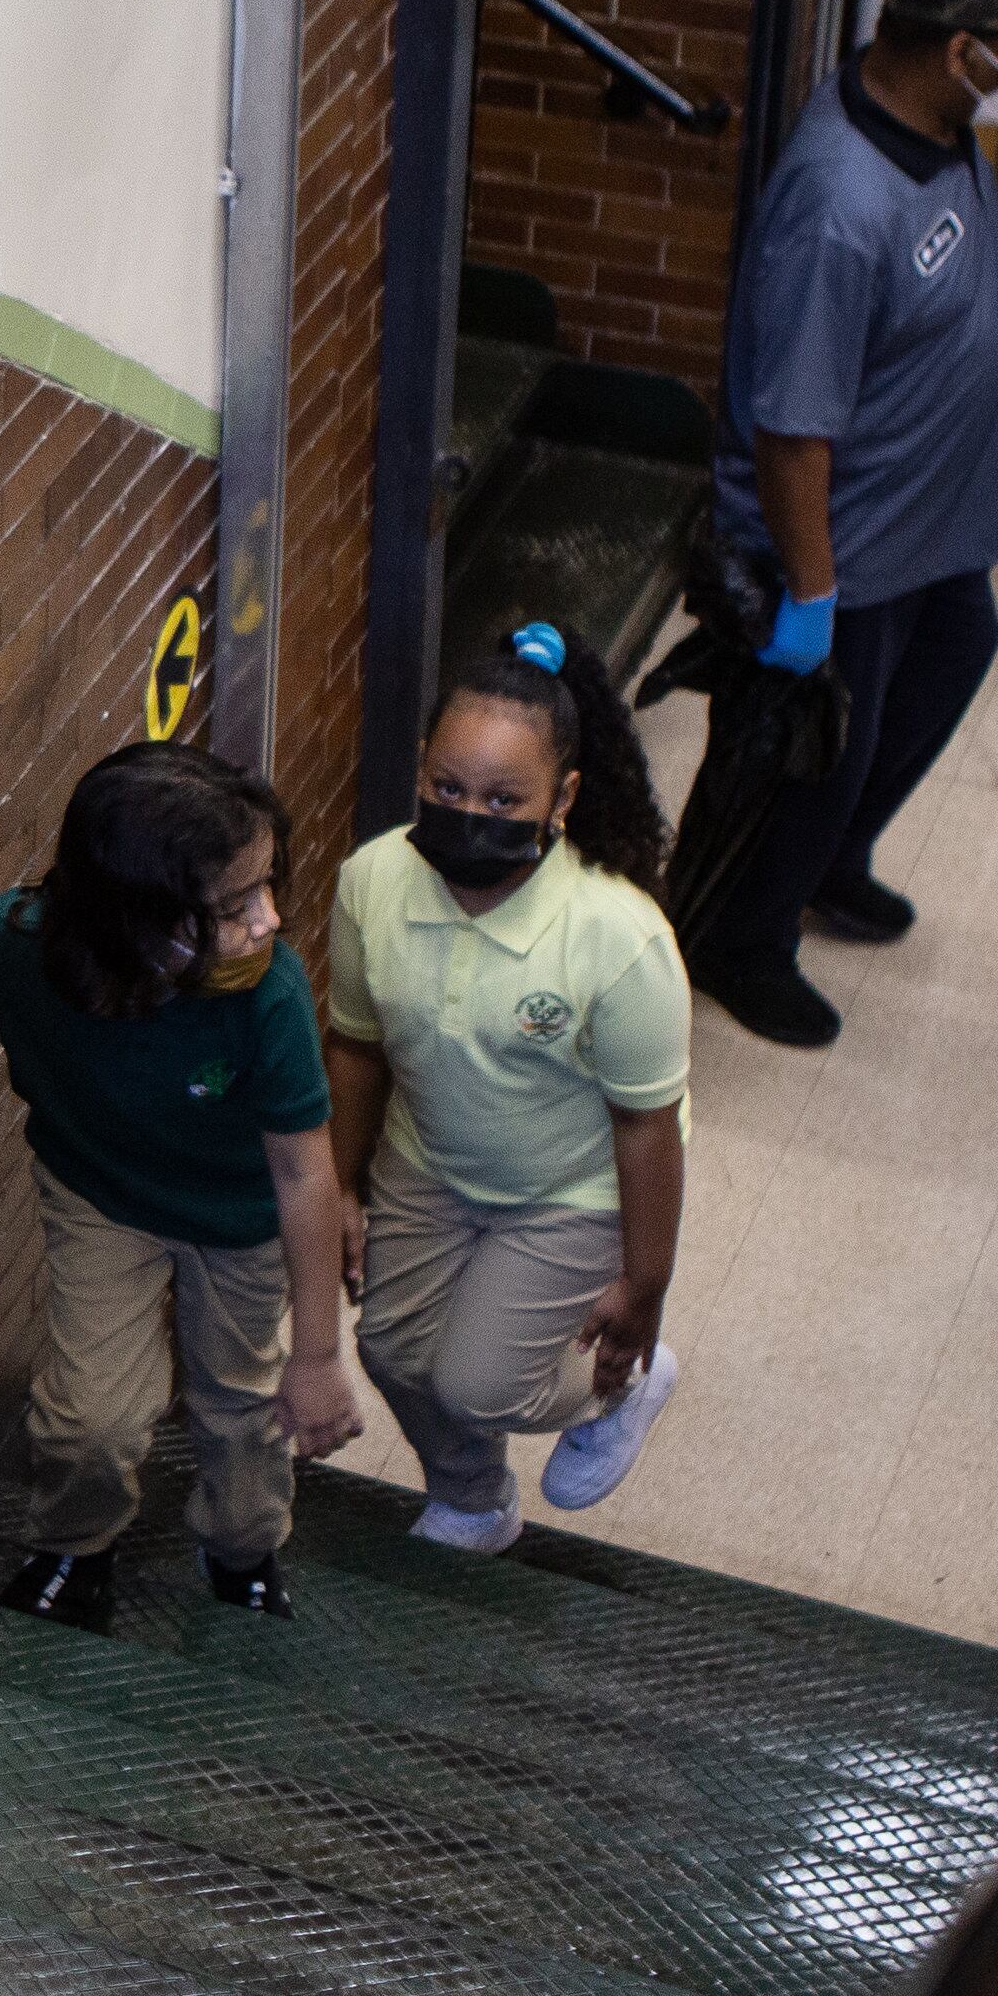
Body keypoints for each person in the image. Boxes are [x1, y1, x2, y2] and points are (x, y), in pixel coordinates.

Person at [0, 742, 359, 1631]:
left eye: (267, 887)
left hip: (238, 1220)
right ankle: (75, 1549)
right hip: (100, 1196)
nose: (270, 919)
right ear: (127, 920)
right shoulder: (21, 941)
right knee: (92, 1421)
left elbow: (304, 1174)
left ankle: (242, 1545)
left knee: (241, 1406)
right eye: (233, 905)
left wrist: (317, 1357)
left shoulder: (264, 995)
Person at [672, 0, 998, 1048]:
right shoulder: (836, 204)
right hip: (842, 542)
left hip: (928, 526)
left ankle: (829, 861)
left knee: (950, 660)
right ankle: (736, 937)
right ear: (961, 52)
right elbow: (791, 428)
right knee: (815, 749)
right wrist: (808, 593)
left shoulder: (937, 123)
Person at [325, 625, 693, 1554]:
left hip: (572, 1191)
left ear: (561, 798)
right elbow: (359, 1047)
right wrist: (340, 1183)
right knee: (393, 1353)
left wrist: (643, 1286)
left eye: (503, 797)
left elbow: (648, 1128)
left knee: (481, 1383)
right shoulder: (373, 881)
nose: (469, 813)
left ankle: (627, 1388)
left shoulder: (618, 936)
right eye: (447, 788)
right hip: (429, 1163)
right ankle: (476, 1497)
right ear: (419, 768)